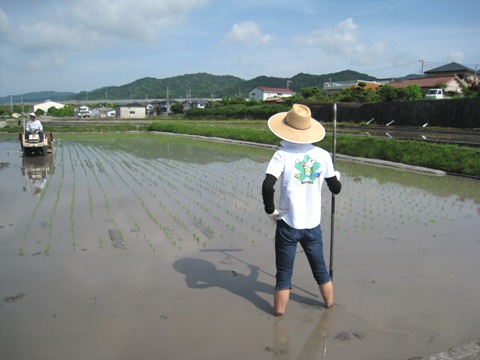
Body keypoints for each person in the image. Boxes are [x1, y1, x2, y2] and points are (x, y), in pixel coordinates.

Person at [261, 104, 342, 316]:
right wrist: (337, 177)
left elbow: (268, 186)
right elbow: (336, 189)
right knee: (321, 271)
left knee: (284, 276)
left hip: (288, 224)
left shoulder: (282, 155)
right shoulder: (323, 155)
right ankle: (329, 306)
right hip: (313, 226)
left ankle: (278, 317)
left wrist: (270, 210)